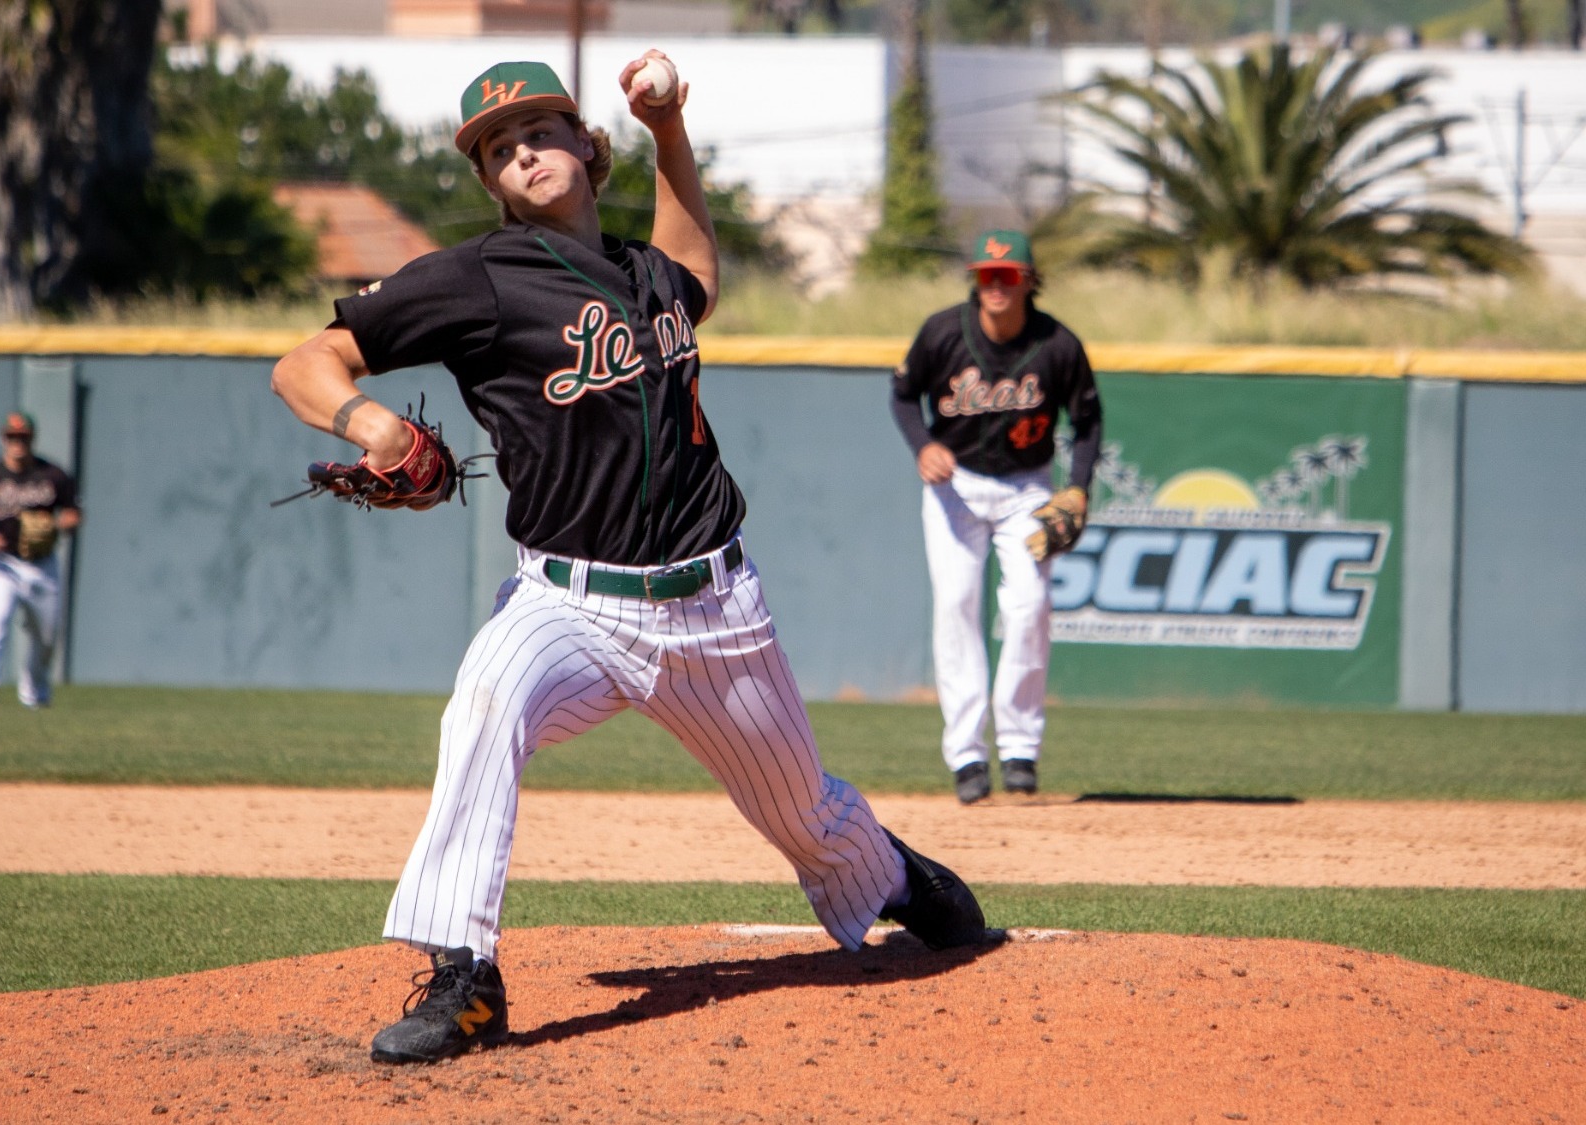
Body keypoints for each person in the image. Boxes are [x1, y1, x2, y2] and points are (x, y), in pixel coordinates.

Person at [270, 54, 996, 1067]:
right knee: (483, 704)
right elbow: (303, 362)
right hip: (567, 605)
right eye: (495, 147)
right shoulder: (475, 277)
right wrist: (367, 423)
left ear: (583, 145)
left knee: (802, 814)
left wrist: (669, 131)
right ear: (487, 183)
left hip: (715, 609)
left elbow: (695, 269)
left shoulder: (645, 274)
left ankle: (891, 876)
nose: (518, 149)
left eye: (536, 129)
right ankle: (462, 979)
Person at [890, 230, 1103, 804]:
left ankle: (1019, 747)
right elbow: (904, 394)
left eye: (1008, 275)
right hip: (956, 485)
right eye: (987, 274)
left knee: (1031, 605)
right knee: (957, 603)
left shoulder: (1058, 344)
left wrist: (1078, 487)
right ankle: (966, 755)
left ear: (1030, 280)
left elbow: (1087, 421)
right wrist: (922, 446)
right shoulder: (942, 332)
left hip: (1026, 489)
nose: (997, 285)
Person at [0, 411, 81, 708]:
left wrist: (56, 526)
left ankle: (35, 694)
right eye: (12, 437)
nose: (17, 443)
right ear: (3, 438)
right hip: (2, 565)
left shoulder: (53, 475)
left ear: (32, 439)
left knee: (47, 637)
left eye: (23, 437)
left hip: (42, 565)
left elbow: (73, 513)